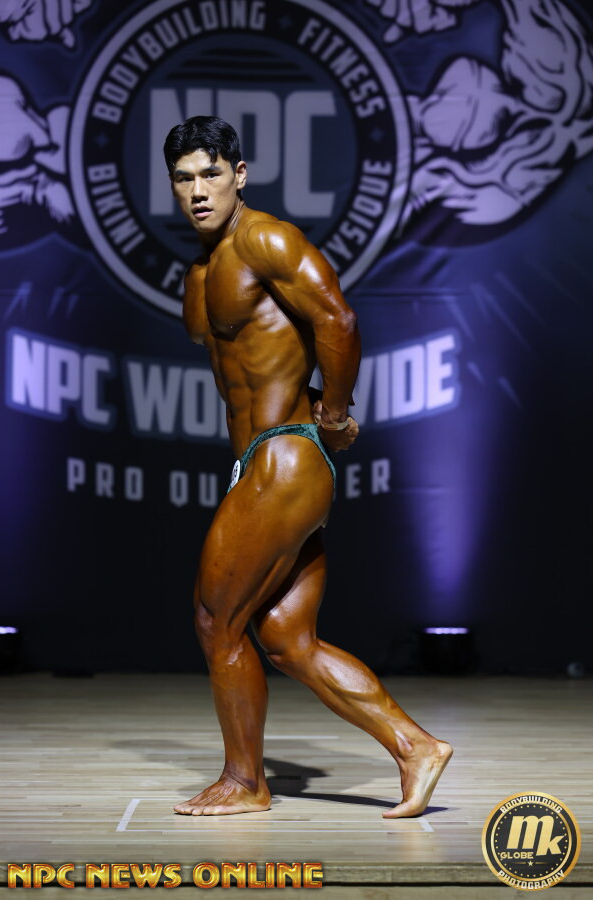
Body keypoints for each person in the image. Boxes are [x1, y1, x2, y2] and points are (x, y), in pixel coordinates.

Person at [165, 116, 452, 818]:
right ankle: (416, 747)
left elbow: (337, 320)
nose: (198, 190)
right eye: (183, 178)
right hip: (262, 462)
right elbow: (263, 353)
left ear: (239, 175)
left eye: (210, 174)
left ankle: (245, 781)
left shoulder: (264, 239)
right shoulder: (198, 273)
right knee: (288, 640)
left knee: (214, 619)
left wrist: (334, 413)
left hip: (286, 455)